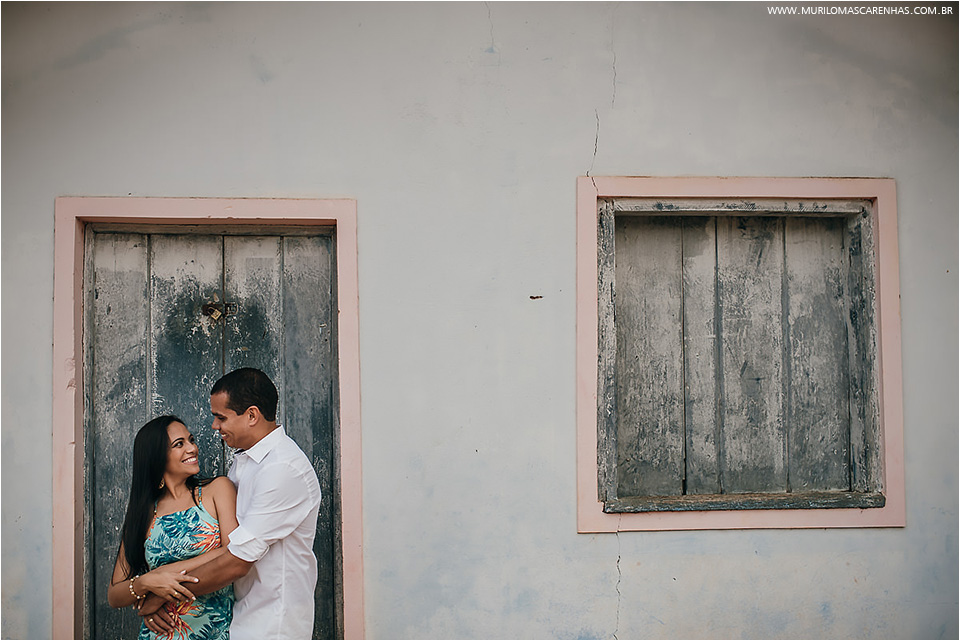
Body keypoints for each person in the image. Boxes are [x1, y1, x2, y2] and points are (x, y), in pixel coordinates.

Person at [139, 368, 322, 640]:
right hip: (238, 619)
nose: (214, 426)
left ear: (251, 415)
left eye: (221, 417)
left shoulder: (282, 468)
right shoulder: (247, 461)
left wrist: (161, 597)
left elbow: (237, 560)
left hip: (271, 624)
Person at [107, 415, 239, 640]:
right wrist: (145, 582)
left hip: (214, 631)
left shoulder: (217, 490)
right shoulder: (145, 513)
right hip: (160, 634)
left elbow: (233, 552)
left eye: (191, 440)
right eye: (179, 444)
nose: (192, 448)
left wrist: (162, 577)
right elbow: (114, 595)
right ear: (157, 457)